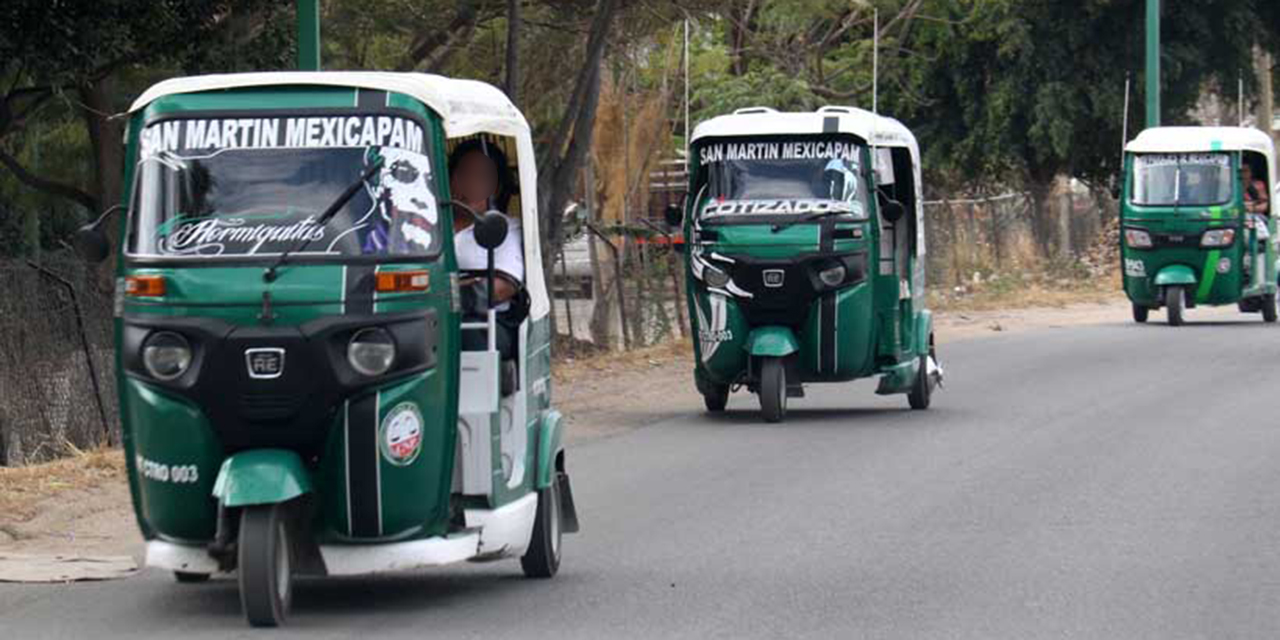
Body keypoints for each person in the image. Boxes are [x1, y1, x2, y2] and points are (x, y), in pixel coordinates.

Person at [449, 139, 523, 306]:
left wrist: (444, 295)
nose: (472, 184)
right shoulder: (427, 224)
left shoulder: (507, 227)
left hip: (481, 325)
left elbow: (502, 286)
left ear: (496, 189)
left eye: (483, 177)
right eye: (464, 174)